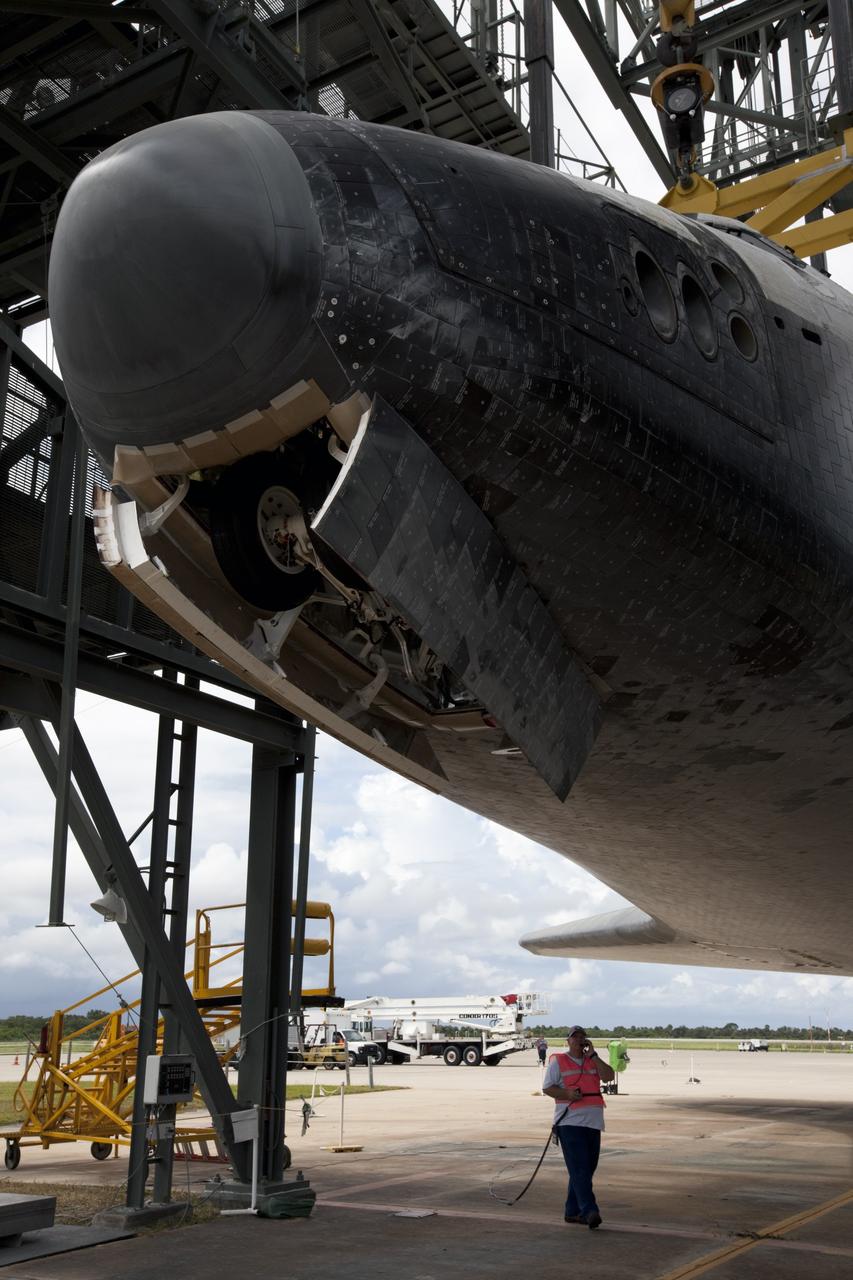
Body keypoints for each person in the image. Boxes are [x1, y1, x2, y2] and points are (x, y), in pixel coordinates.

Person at [542, 1025, 616, 1229]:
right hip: (569, 1122)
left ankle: (571, 1211)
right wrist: (567, 1094)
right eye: (575, 1037)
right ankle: (589, 1210)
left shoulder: (592, 1061)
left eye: (582, 1037)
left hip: (593, 1123)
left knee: (585, 1170)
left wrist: (594, 1056)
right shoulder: (559, 1062)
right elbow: (547, 1088)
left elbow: (609, 1076)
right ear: (568, 1041)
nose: (579, 1040)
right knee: (580, 1170)